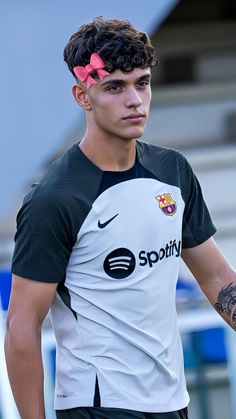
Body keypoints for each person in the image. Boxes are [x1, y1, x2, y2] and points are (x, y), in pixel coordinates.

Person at [4, 16, 236, 419]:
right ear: (82, 96)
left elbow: (217, 279)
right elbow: (22, 328)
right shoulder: (54, 199)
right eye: (114, 87)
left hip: (172, 401)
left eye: (142, 83)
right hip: (98, 405)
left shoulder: (173, 171)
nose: (135, 100)